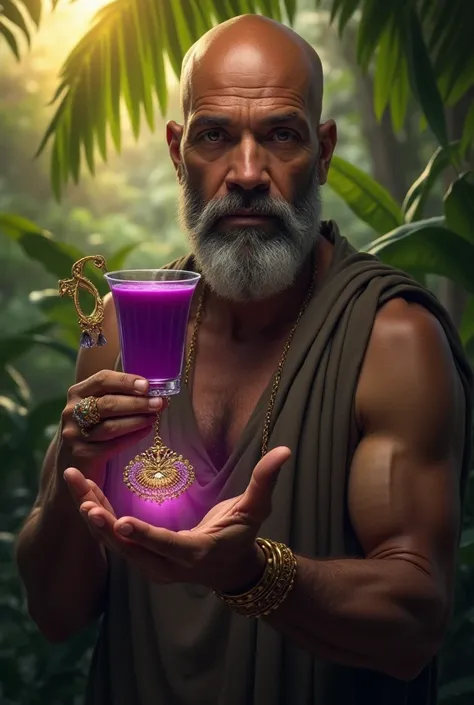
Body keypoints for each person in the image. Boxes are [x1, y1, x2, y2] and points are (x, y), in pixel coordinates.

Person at [16, 14, 472, 705]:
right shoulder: (119, 327)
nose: (249, 173)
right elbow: (55, 613)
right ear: (178, 150)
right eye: (215, 136)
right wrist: (72, 466)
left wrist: (252, 573)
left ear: (322, 153)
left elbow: (414, 622)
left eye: (281, 135)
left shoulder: (392, 338)